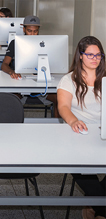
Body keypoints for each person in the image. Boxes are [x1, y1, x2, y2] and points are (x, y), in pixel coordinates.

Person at [57, 36, 106, 219]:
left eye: (99, 55)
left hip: (103, 133)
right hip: (78, 134)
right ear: (80, 56)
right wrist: (73, 121)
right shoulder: (68, 80)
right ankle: (100, 210)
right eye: (90, 55)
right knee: (79, 164)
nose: (95, 58)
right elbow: (63, 107)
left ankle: (93, 205)